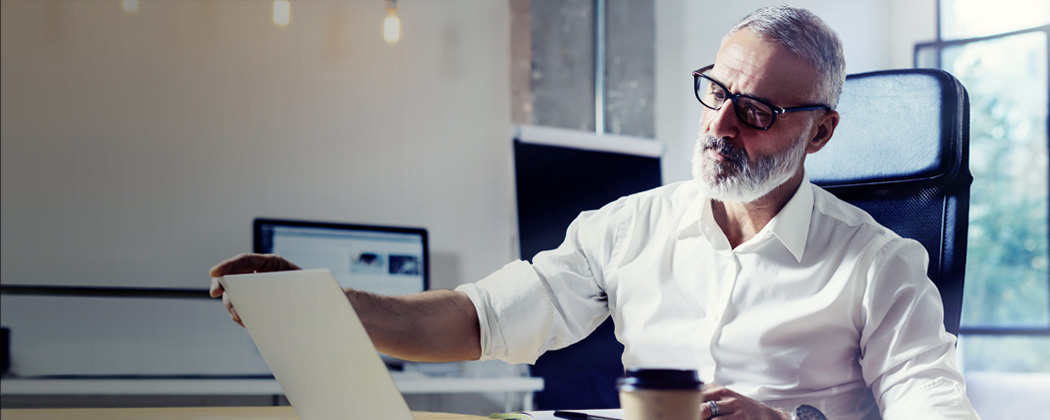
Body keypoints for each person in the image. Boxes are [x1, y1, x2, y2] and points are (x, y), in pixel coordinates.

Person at [210, 5, 979, 420]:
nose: (719, 125)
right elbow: (484, 320)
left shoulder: (878, 264)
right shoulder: (626, 228)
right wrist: (328, 307)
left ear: (821, 130)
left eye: (755, 110)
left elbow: (935, 409)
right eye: (716, 91)